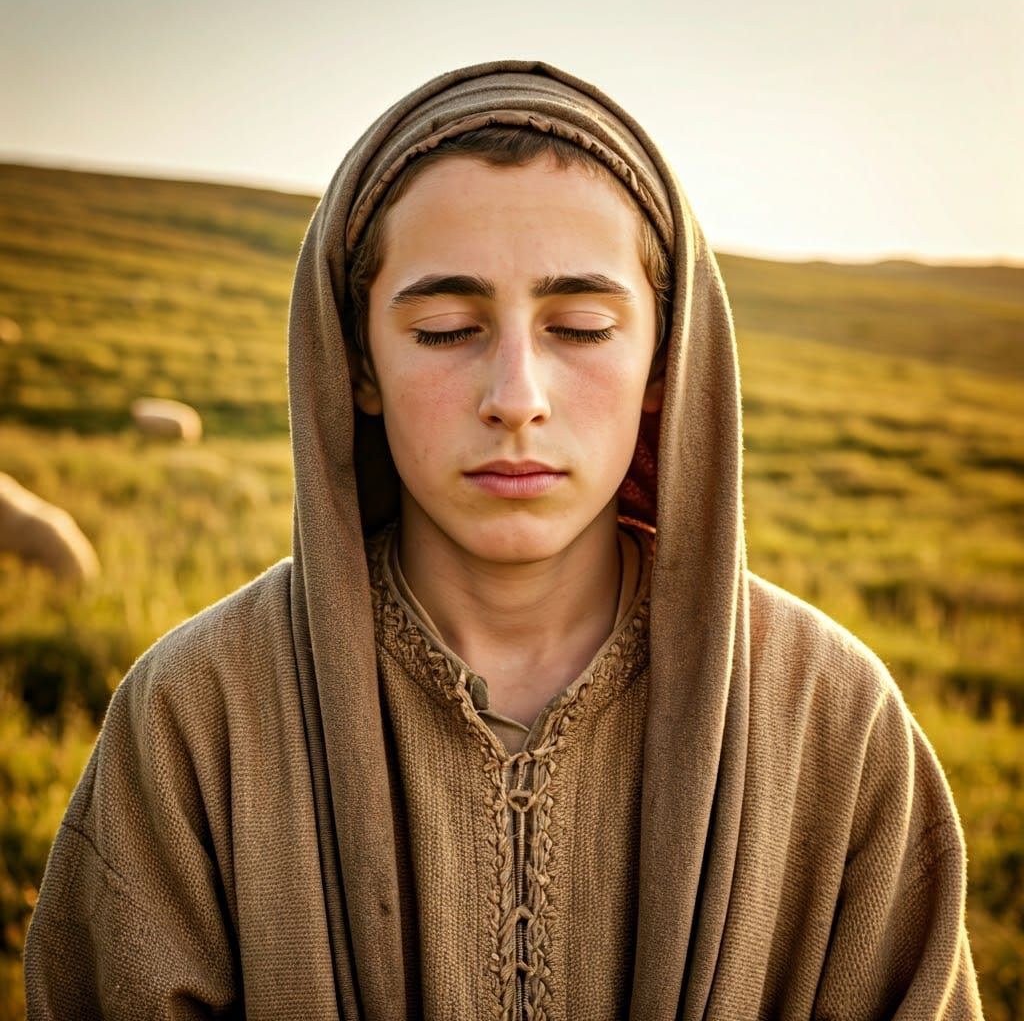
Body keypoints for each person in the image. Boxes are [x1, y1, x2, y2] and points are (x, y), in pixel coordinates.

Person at [23, 60, 984, 1019]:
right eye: (445, 328)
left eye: (582, 326)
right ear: (358, 362)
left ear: (665, 358)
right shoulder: (196, 715)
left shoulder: (836, 722)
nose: (516, 398)